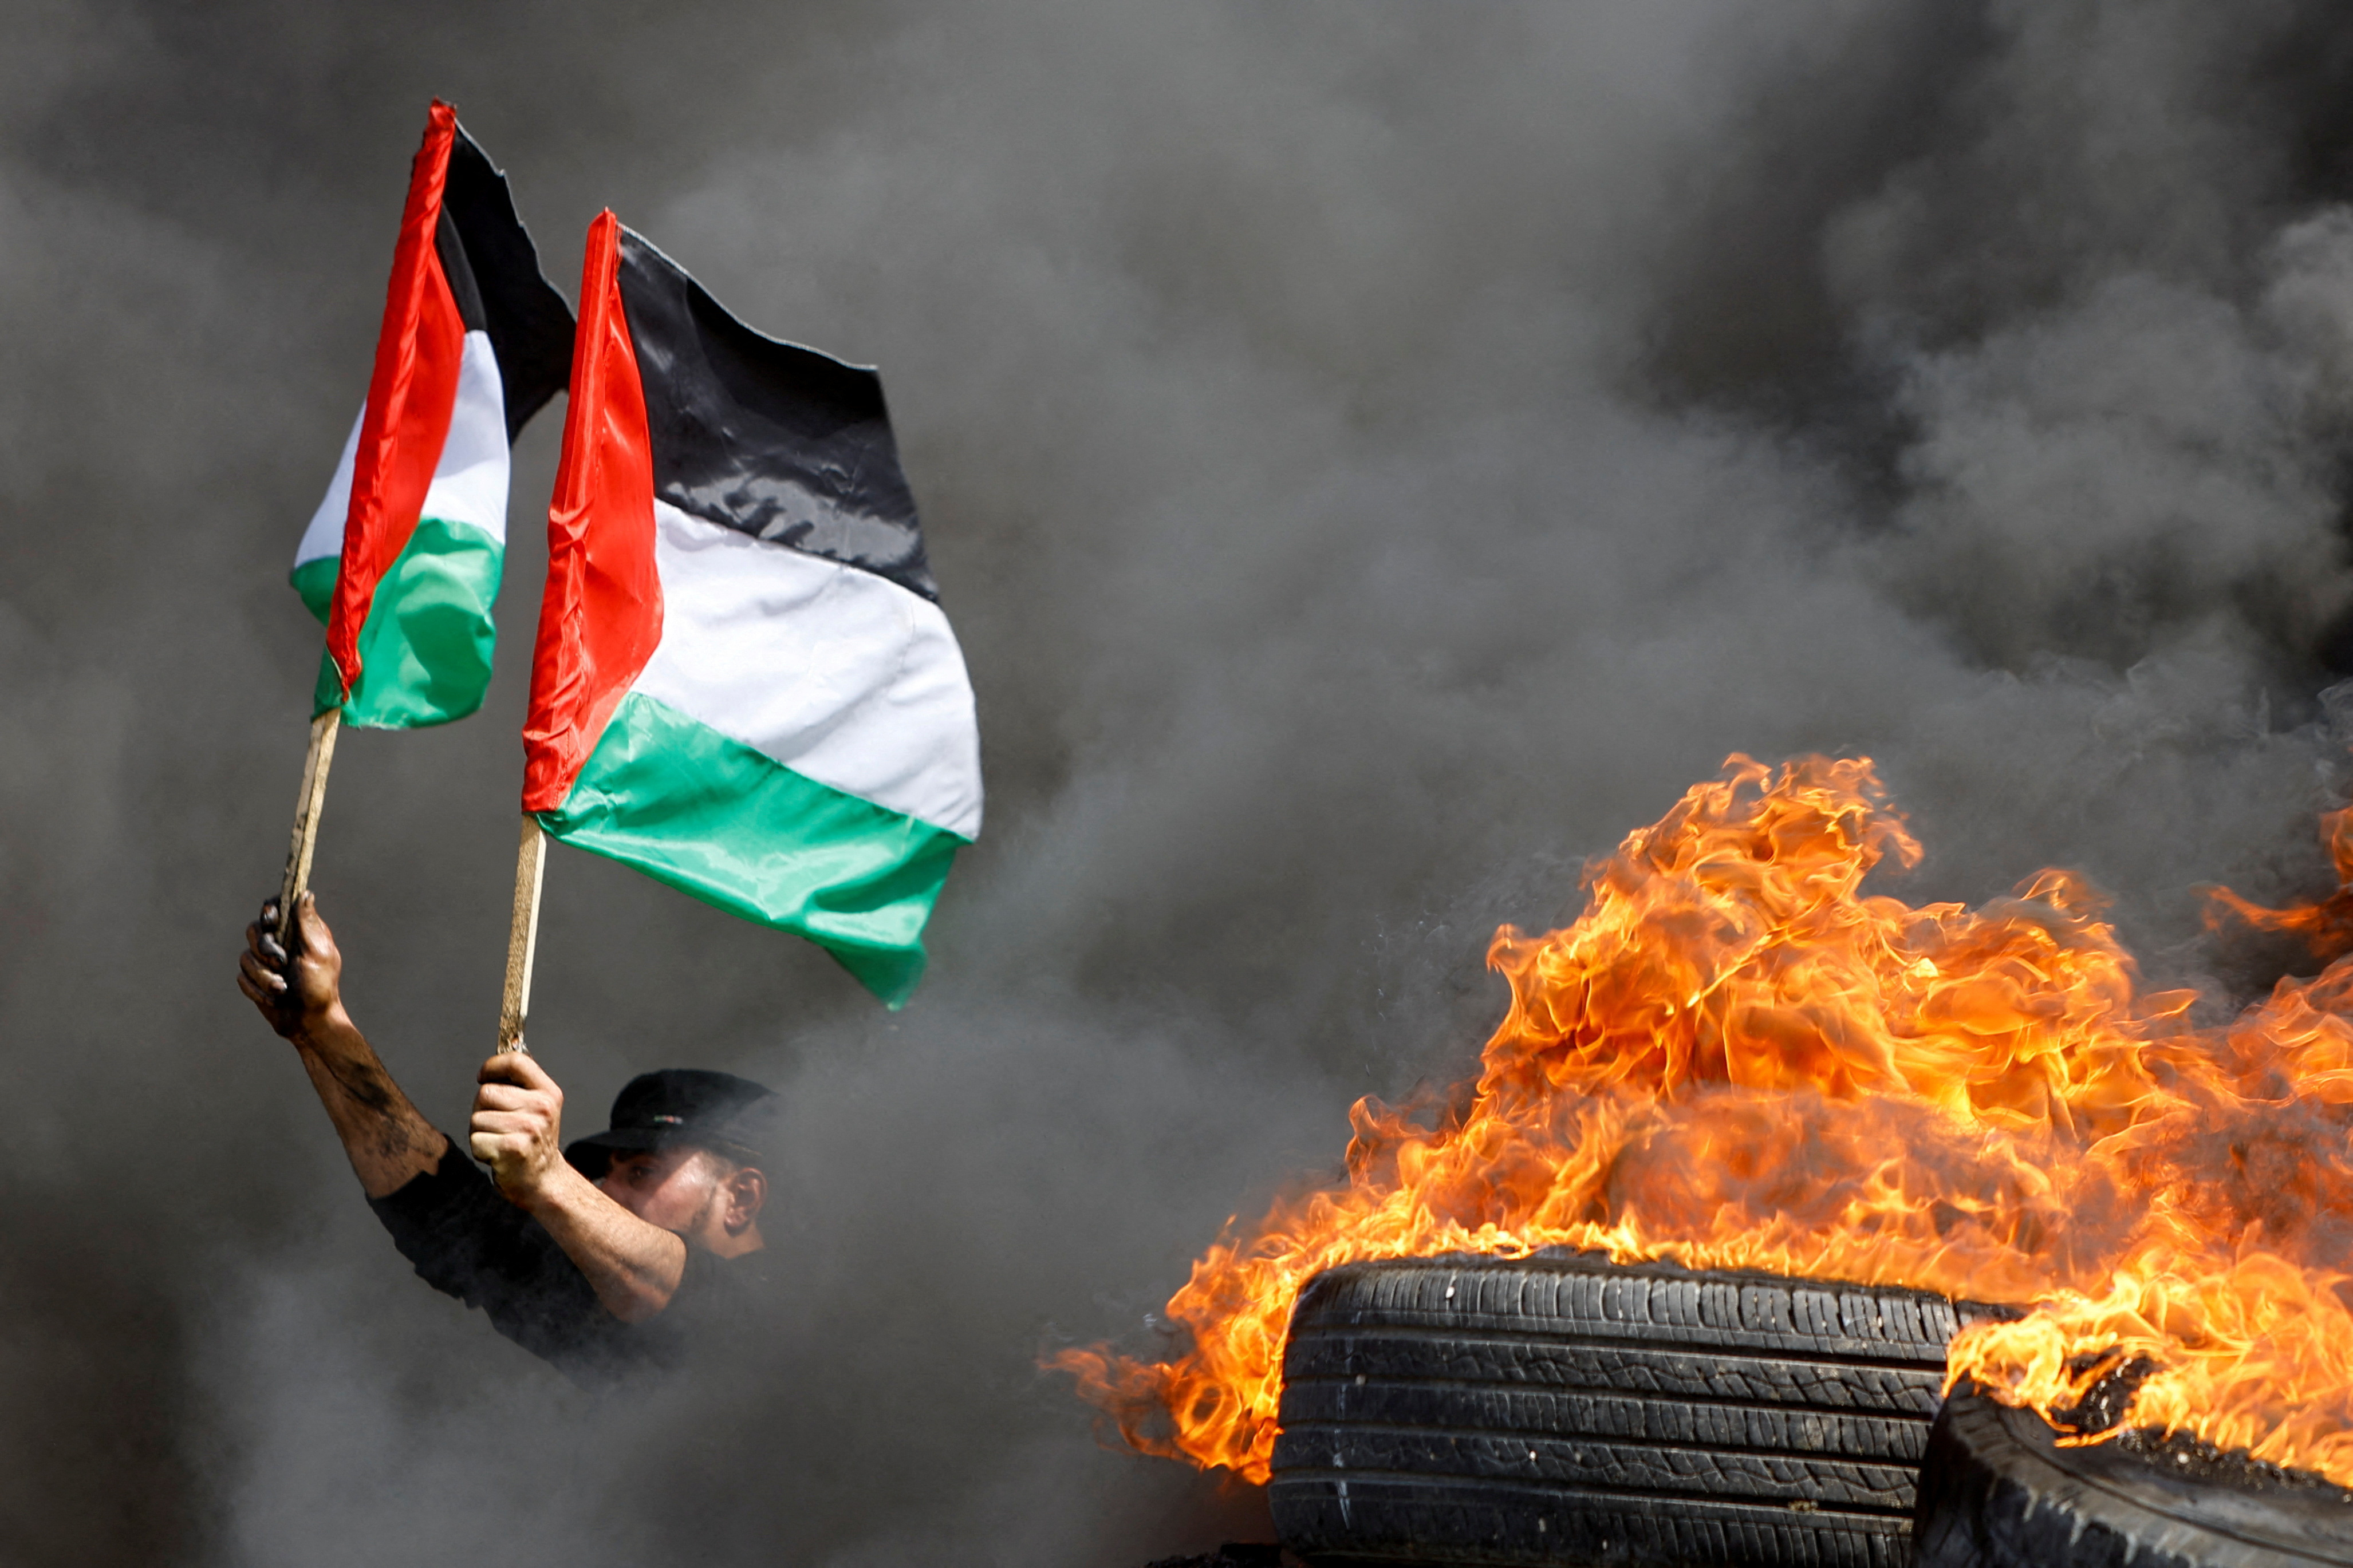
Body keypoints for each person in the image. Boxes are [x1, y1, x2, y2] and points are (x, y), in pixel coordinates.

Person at [238, 892, 775, 1385]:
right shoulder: (603, 1316)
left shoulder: (808, 1319)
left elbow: (699, 1298)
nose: (609, 1190)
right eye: (606, 1171)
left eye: (642, 1171)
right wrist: (323, 1029)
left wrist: (550, 1179)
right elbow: (454, 1218)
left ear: (742, 1197)